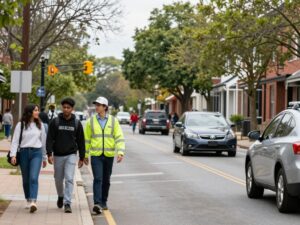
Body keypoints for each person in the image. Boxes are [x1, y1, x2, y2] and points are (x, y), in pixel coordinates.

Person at [84, 96, 125, 214]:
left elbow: (119, 137)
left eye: (99, 105)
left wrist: (120, 152)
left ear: (105, 107)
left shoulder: (113, 121)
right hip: (96, 155)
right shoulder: (90, 121)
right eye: (96, 104)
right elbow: (87, 139)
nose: (96, 107)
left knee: (106, 180)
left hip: (109, 155)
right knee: (98, 178)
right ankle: (97, 203)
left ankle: (103, 201)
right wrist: (85, 155)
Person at [46, 98, 85, 213]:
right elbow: (49, 139)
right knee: (58, 179)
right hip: (58, 155)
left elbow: (81, 141)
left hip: (71, 155)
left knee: (69, 179)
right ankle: (61, 195)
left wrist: (82, 157)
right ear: (62, 108)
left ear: (72, 109)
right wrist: (49, 153)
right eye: (64, 107)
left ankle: (67, 203)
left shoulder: (77, 123)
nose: (66, 109)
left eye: (68, 108)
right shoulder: (55, 122)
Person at [10, 104, 47, 213]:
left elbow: (43, 142)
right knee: (26, 180)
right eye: (36, 110)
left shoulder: (41, 125)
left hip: (37, 153)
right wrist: (13, 155)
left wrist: (44, 157)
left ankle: (33, 201)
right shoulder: (20, 125)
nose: (38, 112)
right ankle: (28, 198)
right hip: (24, 153)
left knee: (33, 178)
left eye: (38, 110)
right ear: (30, 112)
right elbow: (15, 141)